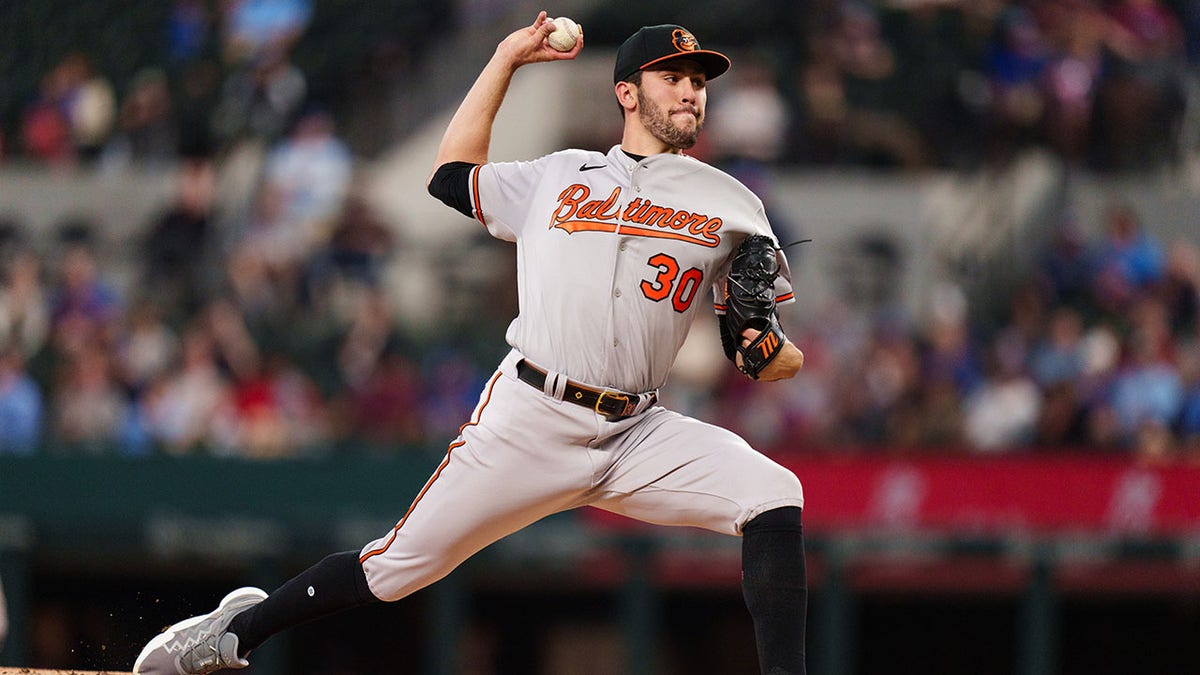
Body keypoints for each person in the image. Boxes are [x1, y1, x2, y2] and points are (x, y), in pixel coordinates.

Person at [132, 14, 809, 675]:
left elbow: (770, 351)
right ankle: (229, 633)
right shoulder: (559, 174)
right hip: (533, 416)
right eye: (673, 75)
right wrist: (505, 60)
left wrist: (764, 347)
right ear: (627, 92)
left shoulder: (734, 203)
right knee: (392, 570)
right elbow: (451, 173)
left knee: (774, 492)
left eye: (699, 78)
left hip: (638, 430)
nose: (691, 89)